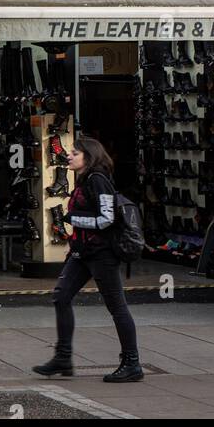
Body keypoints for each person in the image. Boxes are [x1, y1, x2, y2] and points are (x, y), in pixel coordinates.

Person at [32, 135, 143, 384]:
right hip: (83, 252)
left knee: (117, 307)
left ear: (89, 157)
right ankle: (63, 357)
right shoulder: (85, 179)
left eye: (75, 153)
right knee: (61, 297)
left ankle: (132, 363)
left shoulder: (98, 180)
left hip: (102, 253)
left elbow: (107, 219)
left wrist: (74, 219)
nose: (69, 156)